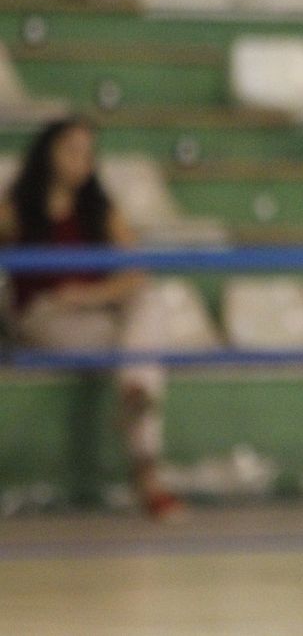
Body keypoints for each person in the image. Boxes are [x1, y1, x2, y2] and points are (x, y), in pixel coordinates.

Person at [0, 118, 182, 520]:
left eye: (89, 153)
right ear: (48, 153)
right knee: (139, 353)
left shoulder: (99, 208)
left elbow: (136, 273)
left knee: (150, 306)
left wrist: (87, 294)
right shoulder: (17, 209)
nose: (82, 161)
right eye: (72, 150)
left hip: (96, 314)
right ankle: (148, 472)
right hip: (45, 318)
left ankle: (137, 400)